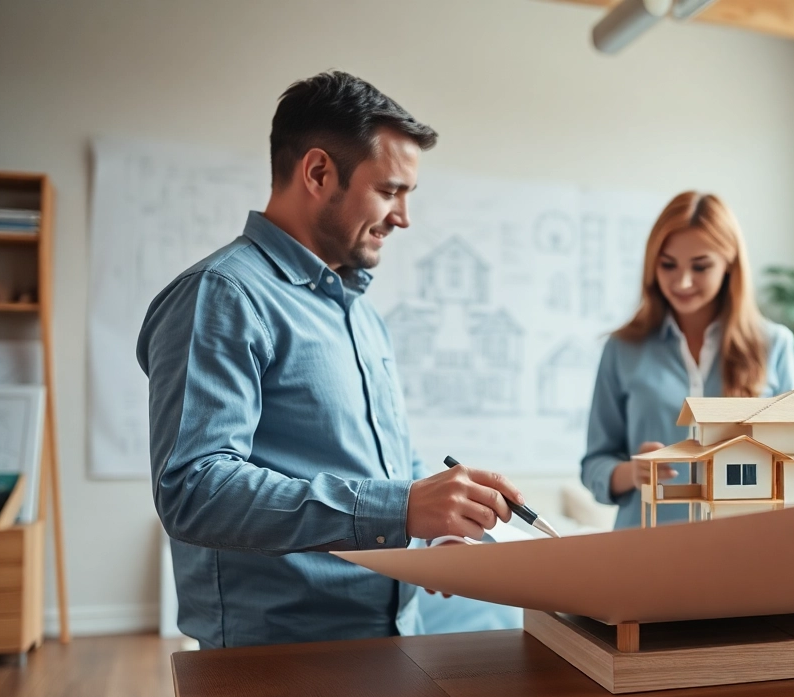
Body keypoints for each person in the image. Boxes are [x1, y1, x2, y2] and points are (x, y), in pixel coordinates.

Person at [136, 71, 525, 648]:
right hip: (277, 660)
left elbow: (384, 464)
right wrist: (401, 508)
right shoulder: (222, 295)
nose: (403, 218)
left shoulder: (360, 313)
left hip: (388, 637)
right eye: (390, 190)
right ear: (318, 172)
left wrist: (432, 535)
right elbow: (195, 489)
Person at [581, 191, 794, 529]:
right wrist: (631, 472)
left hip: (747, 548)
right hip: (645, 550)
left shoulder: (775, 345)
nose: (682, 281)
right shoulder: (622, 348)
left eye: (700, 266)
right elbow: (594, 463)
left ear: (729, 264)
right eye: (668, 264)